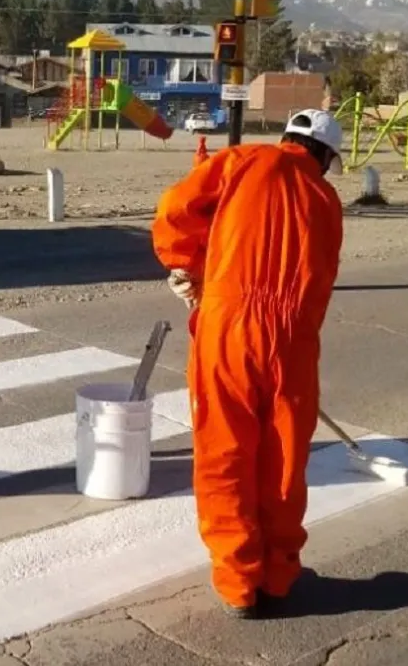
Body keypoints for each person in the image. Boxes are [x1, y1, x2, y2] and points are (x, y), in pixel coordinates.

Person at [151, 109, 345, 619]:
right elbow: (320, 283)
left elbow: (177, 207)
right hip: (294, 342)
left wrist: (186, 266)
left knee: (226, 453)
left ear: (287, 138)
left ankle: (239, 581)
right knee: (283, 461)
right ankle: (278, 574)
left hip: (229, 327)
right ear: (326, 156)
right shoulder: (327, 201)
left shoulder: (244, 160)